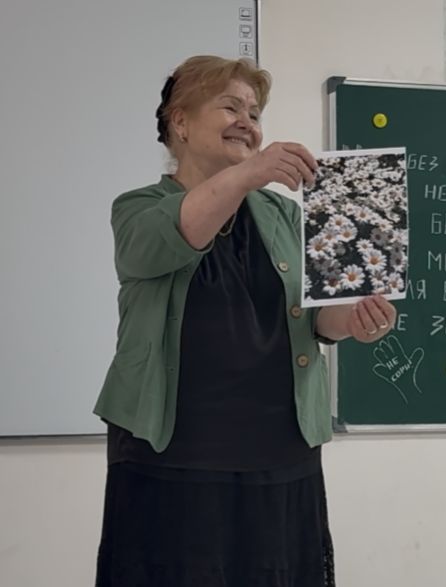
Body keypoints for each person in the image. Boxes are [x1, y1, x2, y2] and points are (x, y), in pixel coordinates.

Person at [92, 55, 396, 586]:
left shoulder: (286, 215)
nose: (247, 123)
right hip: (171, 455)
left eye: (254, 114)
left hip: (280, 450)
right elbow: (180, 233)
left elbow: (318, 319)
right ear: (180, 122)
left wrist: (355, 321)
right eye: (230, 107)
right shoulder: (137, 208)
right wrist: (248, 175)